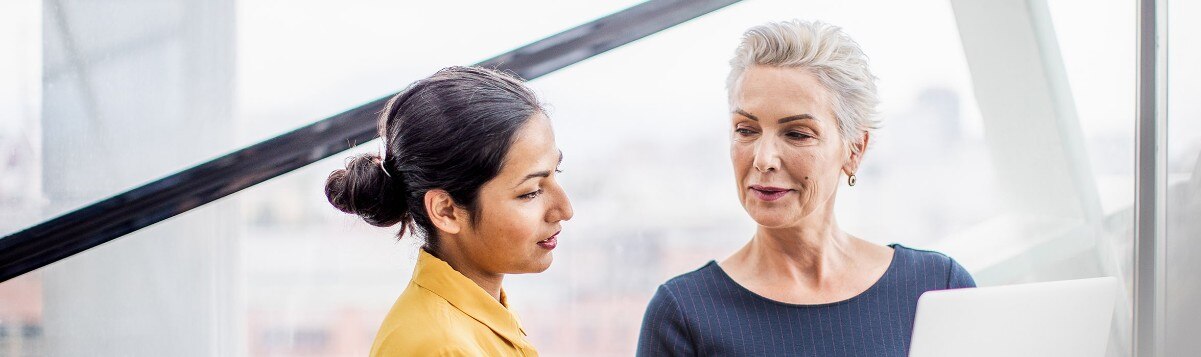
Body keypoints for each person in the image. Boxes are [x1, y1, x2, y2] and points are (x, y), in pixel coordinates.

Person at [637, 20, 975, 356]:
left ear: (854, 149)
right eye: (746, 129)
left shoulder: (936, 286)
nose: (763, 159)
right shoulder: (683, 314)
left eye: (797, 134)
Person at [325, 66, 572, 356]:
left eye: (556, 171)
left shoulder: (478, 318)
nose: (564, 209)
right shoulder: (442, 347)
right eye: (530, 192)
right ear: (446, 210)